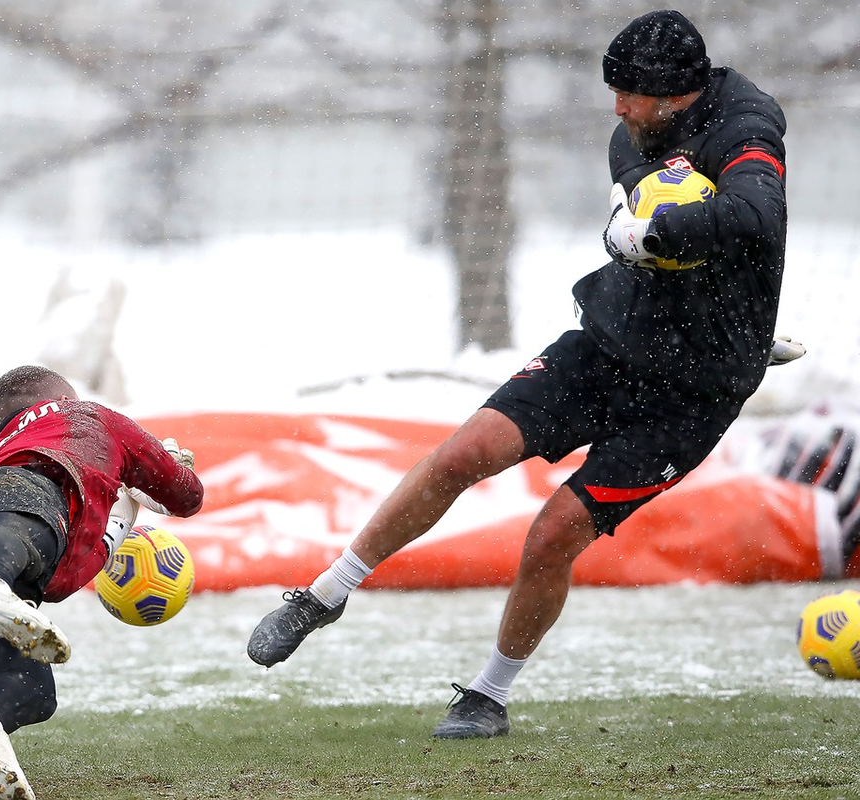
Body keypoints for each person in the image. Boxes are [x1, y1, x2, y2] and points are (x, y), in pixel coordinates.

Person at [247, 9, 797, 740]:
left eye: (628, 94)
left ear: (673, 96)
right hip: (609, 344)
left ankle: (487, 697)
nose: (616, 107)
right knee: (463, 453)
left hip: (693, 395)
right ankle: (324, 593)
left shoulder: (747, 130)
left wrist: (657, 234)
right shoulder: (635, 131)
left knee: (553, 533)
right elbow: (640, 189)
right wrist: (633, 219)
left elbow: (754, 213)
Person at [0, 365, 203, 799]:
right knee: (18, 520)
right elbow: (188, 496)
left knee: (28, 688)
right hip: (6, 523)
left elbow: (56, 578)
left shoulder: (3, 447)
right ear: (64, 397)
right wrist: (171, 465)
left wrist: (125, 508)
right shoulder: (89, 416)